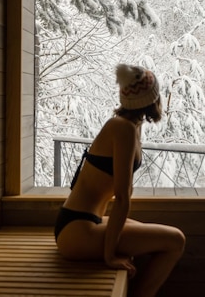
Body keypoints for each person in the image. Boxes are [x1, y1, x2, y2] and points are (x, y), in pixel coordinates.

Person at [54, 64, 185, 297]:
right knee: (176, 240)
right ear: (152, 99)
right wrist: (109, 256)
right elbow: (123, 197)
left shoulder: (131, 126)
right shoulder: (122, 129)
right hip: (77, 230)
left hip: (83, 221)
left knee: (153, 235)